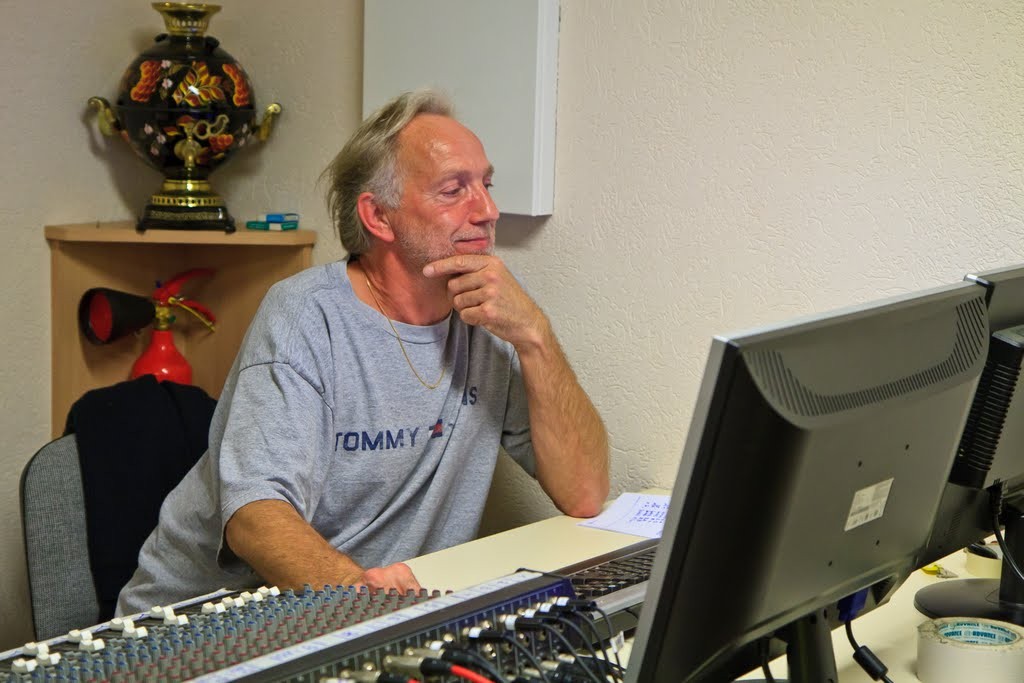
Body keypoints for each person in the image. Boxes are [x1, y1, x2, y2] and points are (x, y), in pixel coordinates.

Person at [116, 89, 609, 615]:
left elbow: (584, 494)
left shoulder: (491, 317)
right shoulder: (306, 316)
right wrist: (373, 612)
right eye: (454, 190)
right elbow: (257, 519)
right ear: (379, 217)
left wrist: (535, 334)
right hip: (211, 618)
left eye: (485, 185)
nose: (488, 211)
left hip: (364, 613)